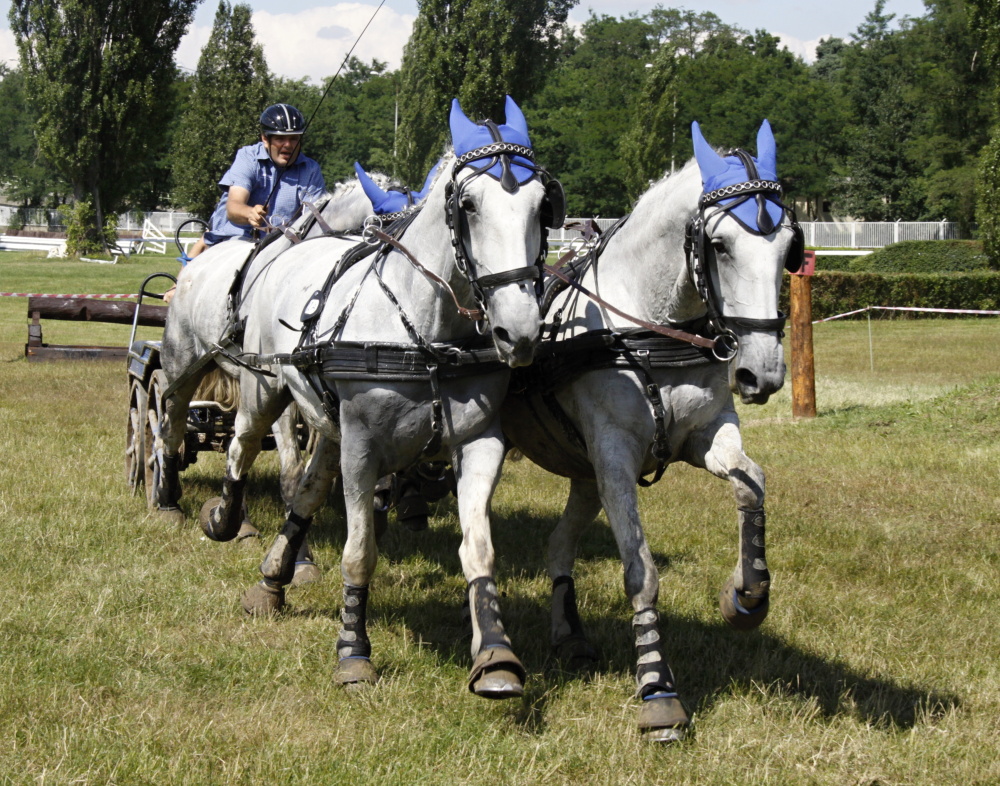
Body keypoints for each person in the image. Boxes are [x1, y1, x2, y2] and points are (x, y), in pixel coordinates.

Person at [165, 103, 326, 301]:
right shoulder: (248, 158)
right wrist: (250, 213)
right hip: (236, 242)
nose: (288, 145)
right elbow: (233, 208)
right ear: (265, 139)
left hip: (281, 248)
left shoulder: (310, 169)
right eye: (280, 139)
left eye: (294, 139)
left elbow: (314, 218)